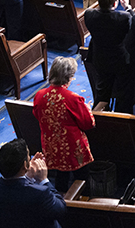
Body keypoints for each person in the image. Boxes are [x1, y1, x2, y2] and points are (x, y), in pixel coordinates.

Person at [33, 56, 96, 191]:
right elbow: (88, 123)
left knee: (60, 177)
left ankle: (59, 197)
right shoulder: (72, 98)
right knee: (82, 178)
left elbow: (37, 115)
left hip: (51, 145)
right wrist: (88, 110)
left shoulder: (39, 95)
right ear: (68, 77)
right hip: (72, 147)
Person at [0, 139, 66, 228]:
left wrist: (27, 176)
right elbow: (60, 209)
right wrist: (44, 180)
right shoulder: (40, 193)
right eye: (29, 156)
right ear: (25, 164)